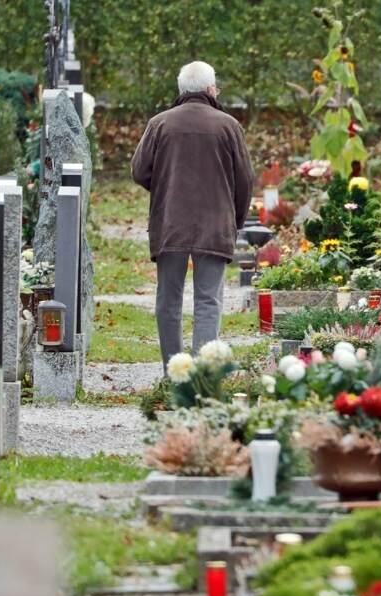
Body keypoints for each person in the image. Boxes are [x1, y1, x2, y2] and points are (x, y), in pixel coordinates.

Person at [131, 61, 254, 371]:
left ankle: (174, 374)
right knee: (208, 300)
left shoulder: (159, 124)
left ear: (181, 90)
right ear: (211, 89)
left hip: (169, 223)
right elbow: (245, 179)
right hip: (215, 225)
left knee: (168, 300)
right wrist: (235, 219)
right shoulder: (228, 126)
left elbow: (138, 171)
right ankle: (201, 375)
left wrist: (164, 187)